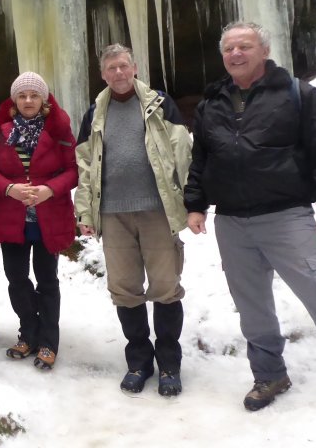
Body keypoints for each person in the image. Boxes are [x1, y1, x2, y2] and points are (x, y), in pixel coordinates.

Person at [184, 21, 316, 423]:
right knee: (252, 306)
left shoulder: (297, 94)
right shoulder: (212, 102)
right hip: (232, 221)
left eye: (245, 46)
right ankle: (270, 375)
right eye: (229, 48)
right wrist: (196, 203)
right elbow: (201, 159)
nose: (236, 54)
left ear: (264, 51)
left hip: (286, 216)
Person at [74, 44, 192, 396]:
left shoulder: (159, 103)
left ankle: (169, 362)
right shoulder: (94, 113)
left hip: (156, 210)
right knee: (124, 290)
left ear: (135, 67)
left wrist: (191, 199)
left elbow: (182, 150)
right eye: (111, 68)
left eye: (124, 66)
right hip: (112, 214)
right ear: (103, 74)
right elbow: (85, 166)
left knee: (165, 286)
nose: (119, 73)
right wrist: (84, 211)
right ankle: (139, 360)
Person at [0, 72, 77, 371]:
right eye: (22, 96)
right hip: (13, 217)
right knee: (17, 279)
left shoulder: (59, 128)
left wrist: (50, 189)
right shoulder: (2, 130)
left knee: (47, 280)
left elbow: (74, 169)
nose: (28, 101)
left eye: (34, 95)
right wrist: (10, 188)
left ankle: (49, 341)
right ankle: (28, 332)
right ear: (14, 100)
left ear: (43, 99)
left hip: (49, 215)